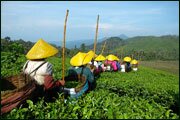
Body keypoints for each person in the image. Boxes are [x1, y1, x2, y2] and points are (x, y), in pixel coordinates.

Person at [1, 39, 65, 114]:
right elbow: (49, 85)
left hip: (28, 89)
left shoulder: (27, 63)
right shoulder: (46, 65)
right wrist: (59, 83)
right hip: (39, 91)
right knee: (56, 90)